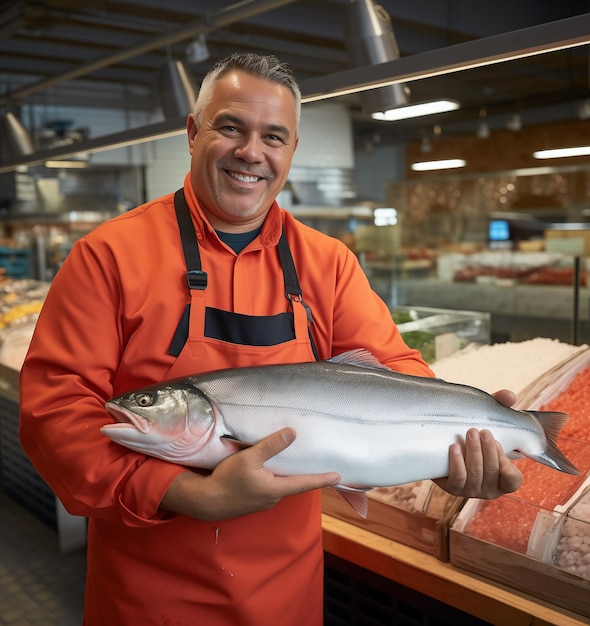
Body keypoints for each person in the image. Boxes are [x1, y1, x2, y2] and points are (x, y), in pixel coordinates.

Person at [19, 52, 522, 626]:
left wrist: (447, 445)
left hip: (286, 593)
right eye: (230, 127)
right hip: (147, 596)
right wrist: (185, 492)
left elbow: (394, 373)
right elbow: (56, 412)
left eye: (273, 136)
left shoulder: (328, 264)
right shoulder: (108, 257)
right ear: (192, 132)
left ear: (290, 151)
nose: (251, 152)